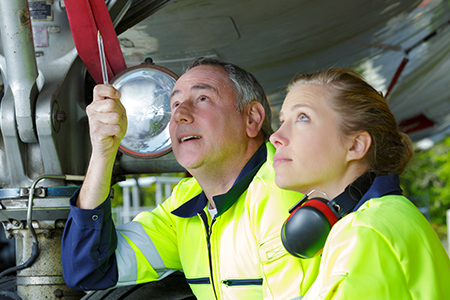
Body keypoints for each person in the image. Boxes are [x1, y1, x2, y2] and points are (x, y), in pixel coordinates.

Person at [61, 57, 320, 299]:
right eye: (174, 104)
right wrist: (103, 154)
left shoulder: (294, 187)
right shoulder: (186, 203)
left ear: (251, 119)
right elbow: (87, 269)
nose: (179, 114)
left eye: (203, 98)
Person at [270, 67, 450, 299]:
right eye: (282, 120)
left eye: (302, 117)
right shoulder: (388, 214)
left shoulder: (364, 233)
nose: (276, 136)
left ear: (355, 145)